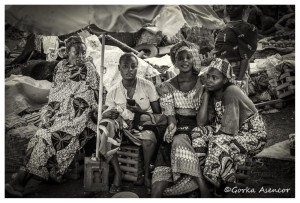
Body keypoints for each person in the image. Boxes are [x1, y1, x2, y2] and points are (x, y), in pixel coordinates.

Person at [5, 36, 100, 197]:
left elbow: (94, 95)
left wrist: (82, 113)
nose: (81, 57)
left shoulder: (89, 68)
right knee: (40, 136)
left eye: (83, 53)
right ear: (66, 53)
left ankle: (19, 183)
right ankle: (22, 181)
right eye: (76, 53)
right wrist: (49, 113)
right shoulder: (61, 67)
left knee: (46, 140)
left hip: (81, 120)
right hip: (60, 115)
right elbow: (55, 94)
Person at [191, 58, 267, 193]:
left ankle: (216, 184)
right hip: (230, 131)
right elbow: (201, 123)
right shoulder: (212, 91)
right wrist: (207, 94)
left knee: (217, 141)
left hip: (252, 136)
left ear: (225, 80)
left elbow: (227, 131)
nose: (209, 80)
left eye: (214, 78)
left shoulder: (231, 91)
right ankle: (203, 173)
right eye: (208, 76)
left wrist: (211, 145)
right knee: (198, 132)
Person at [151, 40, 211, 198]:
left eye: (188, 57)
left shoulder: (202, 80)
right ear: (174, 62)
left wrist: (203, 90)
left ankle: (201, 184)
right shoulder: (168, 86)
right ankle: (188, 185)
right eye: (181, 58)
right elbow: (171, 118)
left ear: (193, 60)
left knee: (179, 141)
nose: (185, 61)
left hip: (198, 123)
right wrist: (171, 127)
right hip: (179, 122)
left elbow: (203, 118)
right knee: (168, 145)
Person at [98, 52, 163, 194]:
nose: (129, 70)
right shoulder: (113, 91)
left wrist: (139, 111)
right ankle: (118, 173)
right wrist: (108, 113)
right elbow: (108, 112)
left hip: (144, 126)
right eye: (125, 67)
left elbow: (157, 113)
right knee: (105, 126)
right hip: (123, 129)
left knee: (148, 138)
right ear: (119, 68)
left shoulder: (147, 85)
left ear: (137, 67)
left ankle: (146, 174)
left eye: (133, 66)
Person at [214, 5, 258, 94]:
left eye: (235, 6)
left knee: (235, 101)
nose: (231, 8)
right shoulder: (222, 27)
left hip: (235, 73)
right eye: (229, 6)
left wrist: (239, 80)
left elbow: (245, 56)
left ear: (243, 7)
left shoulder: (247, 28)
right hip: (220, 71)